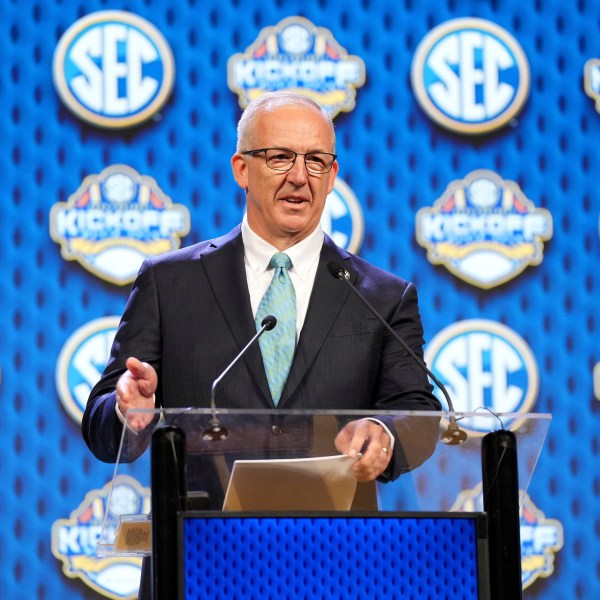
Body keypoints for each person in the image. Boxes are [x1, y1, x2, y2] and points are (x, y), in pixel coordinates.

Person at [83, 90, 440, 489]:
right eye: (280, 157)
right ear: (241, 169)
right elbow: (100, 425)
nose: (300, 177)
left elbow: (417, 411)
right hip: (202, 542)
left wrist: (383, 430)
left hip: (334, 543)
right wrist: (129, 413)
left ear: (333, 176)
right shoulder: (168, 283)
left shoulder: (383, 298)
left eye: (316, 161)